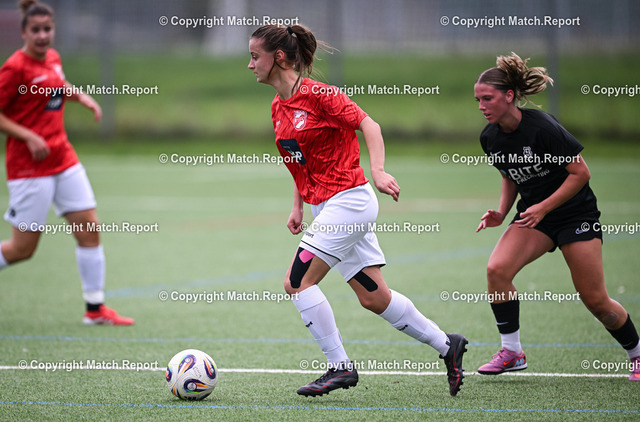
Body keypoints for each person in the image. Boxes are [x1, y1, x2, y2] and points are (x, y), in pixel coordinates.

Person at [248, 23, 468, 397]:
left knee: (297, 282)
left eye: (255, 56)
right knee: (374, 297)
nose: (250, 64)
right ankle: (448, 345)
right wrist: (298, 204)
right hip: (326, 208)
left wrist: (378, 170)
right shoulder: (277, 106)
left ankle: (340, 367)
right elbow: (298, 158)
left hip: (349, 202)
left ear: (279, 57)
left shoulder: (320, 95)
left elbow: (369, 125)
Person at [474, 52, 639, 380]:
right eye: (477, 99)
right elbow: (509, 175)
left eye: (487, 98)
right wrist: (502, 212)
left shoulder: (542, 128)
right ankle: (512, 352)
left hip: (575, 216)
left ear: (509, 96)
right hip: (536, 217)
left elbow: (581, 173)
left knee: (595, 300)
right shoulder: (490, 137)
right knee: (497, 270)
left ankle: (636, 353)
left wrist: (544, 207)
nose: (481, 106)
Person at [0, 0, 133, 325]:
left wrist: (81, 96)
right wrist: (29, 136)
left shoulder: (53, 58)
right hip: (30, 168)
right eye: (36, 30)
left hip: (64, 158)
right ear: (24, 32)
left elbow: (57, 84)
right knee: (22, 249)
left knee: (89, 229)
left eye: (47, 29)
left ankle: (95, 309)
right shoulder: (15, 68)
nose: (42, 35)